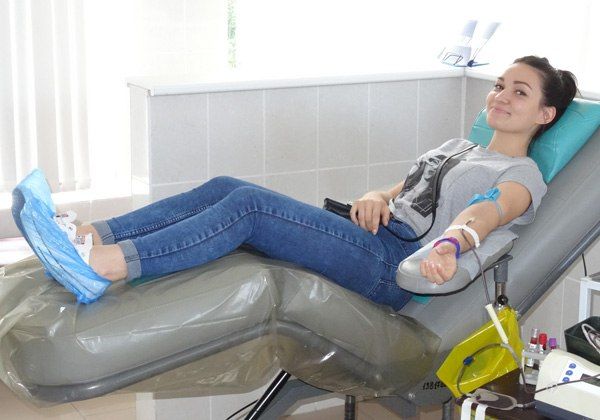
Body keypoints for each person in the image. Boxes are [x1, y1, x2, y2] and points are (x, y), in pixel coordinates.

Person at [12, 56, 578, 309]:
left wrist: (452, 244)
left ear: (545, 115)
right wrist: (373, 197)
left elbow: (488, 212)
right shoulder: (459, 147)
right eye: (499, 85)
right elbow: (400, 191)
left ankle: (105, 266)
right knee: (225, 185)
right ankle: (90, 235)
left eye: (520, 92)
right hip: (371, 234)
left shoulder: (521, 174)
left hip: (395, 268)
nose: (501, 96)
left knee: (249, 207)